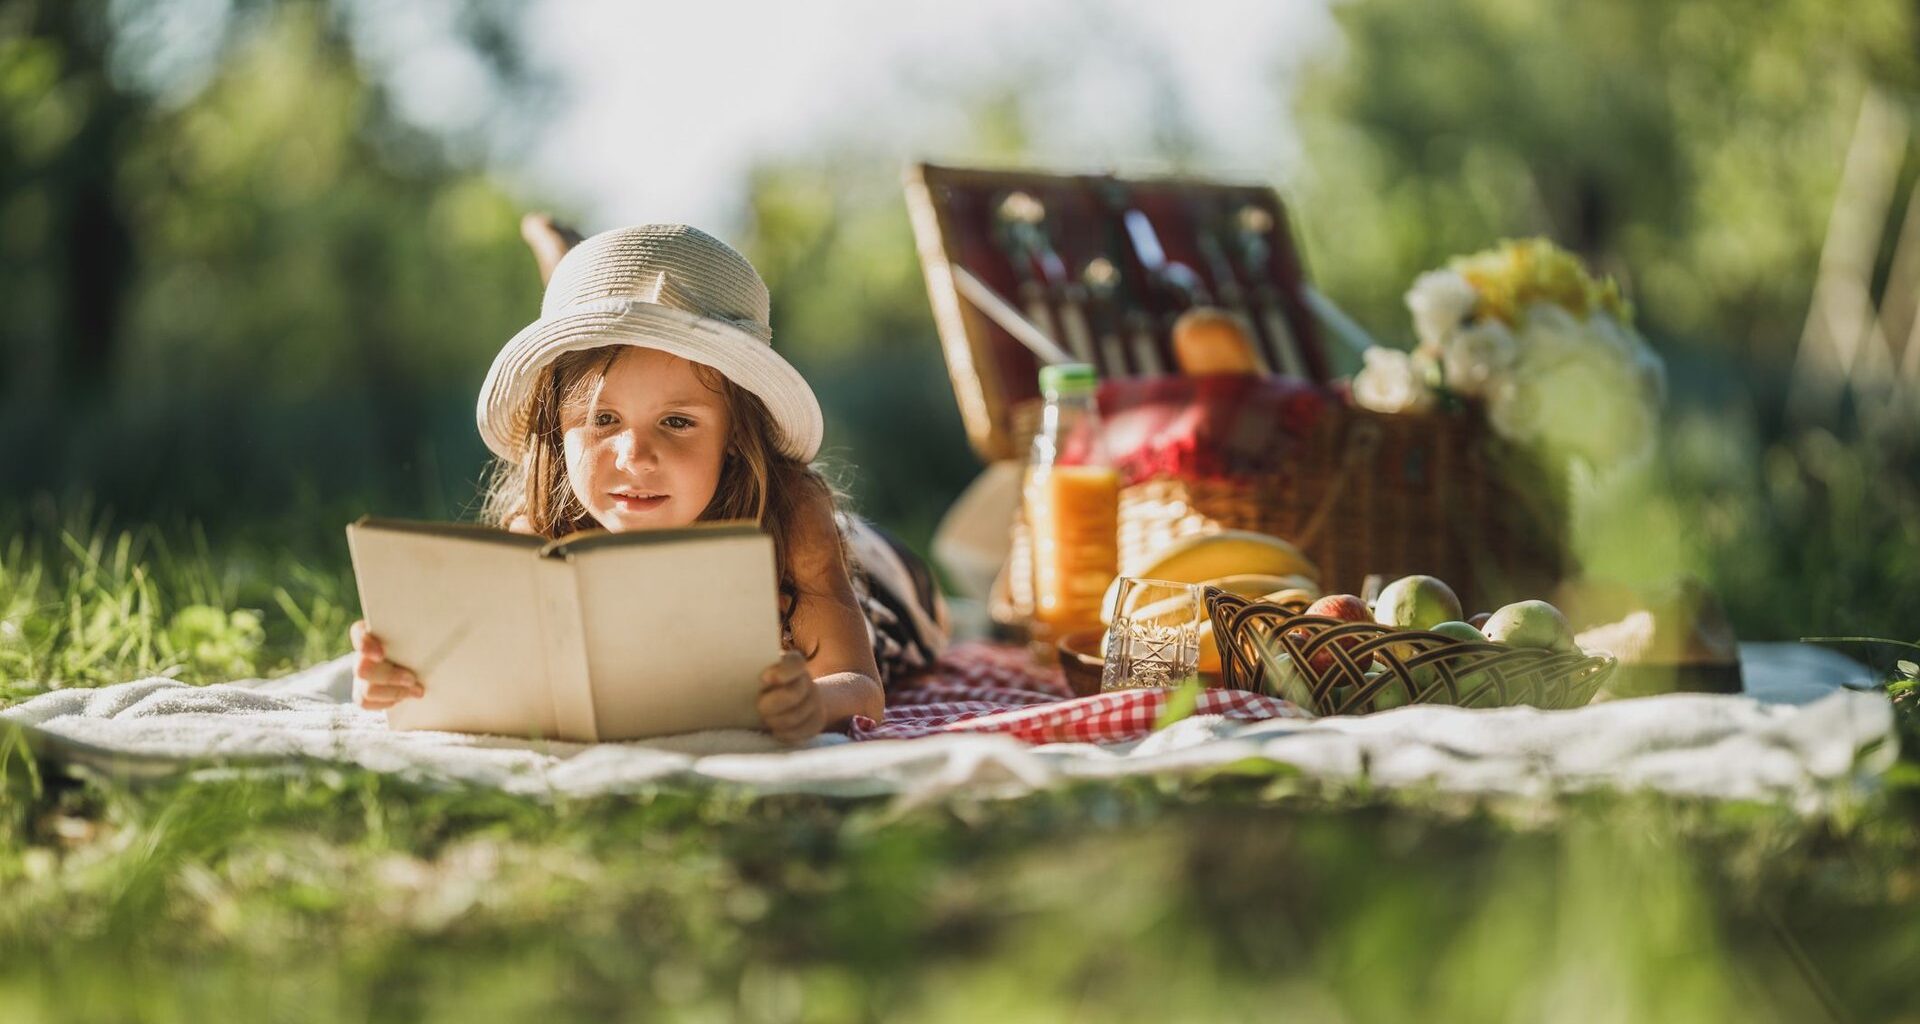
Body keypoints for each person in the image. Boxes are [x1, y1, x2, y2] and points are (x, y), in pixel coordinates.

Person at [348, 223, 946, 742]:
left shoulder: (794, 515)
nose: (635, 457)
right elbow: (474, 669)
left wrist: (815, 702)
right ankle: (580, 279)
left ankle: (578, 273)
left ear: (737, 434)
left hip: (878, 576)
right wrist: (400, 669)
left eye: (677, 422)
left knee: (912, 587)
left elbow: (861, 686)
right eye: (603, 419)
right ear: (556, 429)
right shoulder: (540, 530)